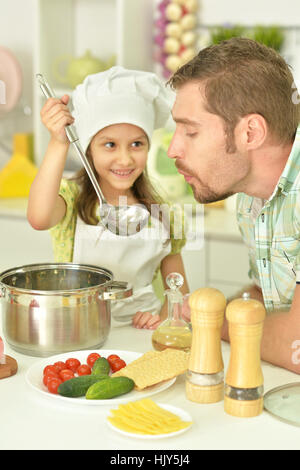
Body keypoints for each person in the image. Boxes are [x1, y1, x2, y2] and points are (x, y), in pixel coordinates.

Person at [166, 37, 300, 374]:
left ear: (251, 133)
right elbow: (264, 296)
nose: (173, 149)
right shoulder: (250, 200)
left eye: (190, 132)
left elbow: (294, 345)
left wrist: (208, 319)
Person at [27, 66, 189, 329]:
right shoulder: (71, 199)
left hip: (140, 338)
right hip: (77, 334)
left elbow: (179, 294)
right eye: (109, 144)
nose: (124, 159)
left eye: (137, 144)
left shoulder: (164, 213)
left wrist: (162, 317)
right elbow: (38, 217)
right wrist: (58, 143)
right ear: (89, 149)